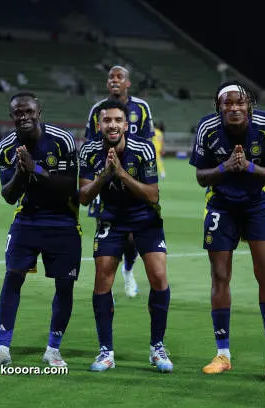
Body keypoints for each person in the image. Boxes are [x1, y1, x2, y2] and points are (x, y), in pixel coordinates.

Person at [189, 80, 265, 378]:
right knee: (220, 276)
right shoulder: (207, 128)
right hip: (221, 204)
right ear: (218, 107)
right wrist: (225, 167)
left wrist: (249, 168)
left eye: (239, 102)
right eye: (227, 103)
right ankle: (223, 355)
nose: (233, 108)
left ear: (249, 105)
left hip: (259, 202)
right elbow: (201, 177)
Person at [0, 91, 80, 367]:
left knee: (64, 284)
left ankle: (53, 348)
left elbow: (69, 188)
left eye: (28, 112)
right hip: (27, 219)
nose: (24, 117)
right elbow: (9, 195)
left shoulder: (62, 140)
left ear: (39, 112)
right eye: (18, 113)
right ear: (11, 116)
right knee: (13, 276)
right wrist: (20, 171)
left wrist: (35, 169)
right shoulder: (5, 148)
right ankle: (2, 348)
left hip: (63, 220)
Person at [79, 99, 172, 373]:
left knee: (158, 277)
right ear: (99, 125)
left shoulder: (143, 148)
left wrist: (120, 173)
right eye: (107, 120)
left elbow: (153, 194)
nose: (112, 125)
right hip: (111, 220)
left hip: (145, 218)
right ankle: (106, 352)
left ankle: (157, 347)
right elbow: (83, 196)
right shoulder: (89, 151)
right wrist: (104, 177)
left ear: (126, 124)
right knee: (102, 280)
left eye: (118, 120)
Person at [84, 65, 157, 299]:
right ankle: (108, 283)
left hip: (134, 177)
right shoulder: (97, 109)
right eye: (111, 77)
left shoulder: (141, 108)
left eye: (120, 77)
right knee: (106, 230)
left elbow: (148, 145)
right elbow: (90, 144)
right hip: (105, 176)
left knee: (133, 236)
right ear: (107, 83)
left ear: (128, 83)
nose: (115, 80)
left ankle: (127, 270)